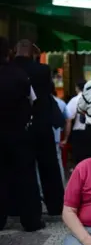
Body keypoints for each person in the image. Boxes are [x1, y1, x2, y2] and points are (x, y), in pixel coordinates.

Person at [13, 39, 64, 216]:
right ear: (33, 52)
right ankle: (55, 205)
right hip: (41, 123)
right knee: (49, 167)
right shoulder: (42, 70)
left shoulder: (10, 69)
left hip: (17, 125)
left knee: (19, 168)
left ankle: (16, 207)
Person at [0, 37, 44, 232]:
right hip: (18, 133)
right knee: (26, 177)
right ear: (8, 52)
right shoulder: (19, 75)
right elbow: (32, 101)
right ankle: (31, 220)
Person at [64, 80, 87, 165]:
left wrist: (66, 139)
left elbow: (68, 119)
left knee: (79, 161)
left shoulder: (75, 100)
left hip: (79, 133)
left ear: (77, 88)